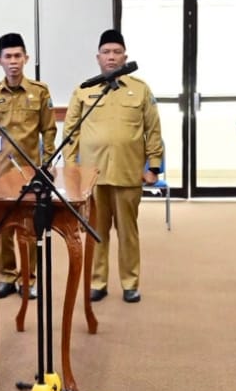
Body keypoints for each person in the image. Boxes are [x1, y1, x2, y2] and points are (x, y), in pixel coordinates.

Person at [63, 29, 163, 303]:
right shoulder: (84, 90)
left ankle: (130, 283)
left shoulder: (140, 89)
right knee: (96, 231)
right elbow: (70, 132)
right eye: (106, 52)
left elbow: (153, 130)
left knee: (128, 232)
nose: (111, 57)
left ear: (125, 57)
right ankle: (98, 282)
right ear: (97, 57)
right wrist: (71, 168)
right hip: (92, 176)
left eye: (116, 52)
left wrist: (154, 166)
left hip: (128, 173)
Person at [0, 33, 57, 299]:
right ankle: (7, 276)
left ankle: (29, 277)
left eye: (18, 56)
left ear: (26, 58)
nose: (13, 61)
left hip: (31, 172)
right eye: (8, 57)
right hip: (1, 172)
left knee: (31, 227)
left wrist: (47, 166)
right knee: (4, 228)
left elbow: (49, 131)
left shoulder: (40, 91)